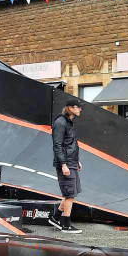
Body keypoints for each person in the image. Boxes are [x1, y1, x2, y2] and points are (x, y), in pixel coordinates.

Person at [49, 98, 83, 234]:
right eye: (78, 107)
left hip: (71, 162)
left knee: (71, 192)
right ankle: (66, 225)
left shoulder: (69, 122)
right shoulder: (60, 123)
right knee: (69, 194)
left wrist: (77, 161)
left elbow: (71, 144)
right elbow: (57, 145)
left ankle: (55, 218)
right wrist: (63, 164)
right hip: (66, 163)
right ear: (70, 108)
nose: (80, 109)